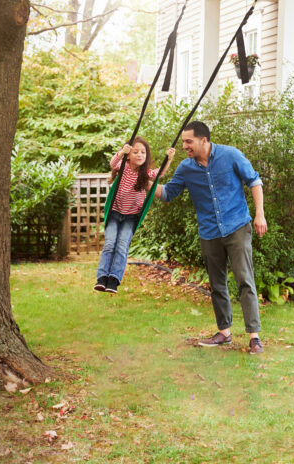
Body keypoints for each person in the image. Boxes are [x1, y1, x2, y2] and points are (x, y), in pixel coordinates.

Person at [158, 121, 268, 355]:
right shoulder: (186, 168)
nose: (185, 146)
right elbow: (168, 193)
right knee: (217, 285)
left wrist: (260, 214)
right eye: (184, 141)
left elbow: (254, 181)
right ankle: (225, 333)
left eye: (189, 141)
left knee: (244, 279)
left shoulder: (231, 155)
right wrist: (144, 183)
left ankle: (254, 337)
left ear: (203, 140)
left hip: (237, 226)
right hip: (209, 232)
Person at [95, 137, 175, 294]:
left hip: (131, 217)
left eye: (143, 152)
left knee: (122, 245)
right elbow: (112, 164)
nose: (139, 155)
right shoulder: (123, 166)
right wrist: (121, 153)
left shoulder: (145, 174)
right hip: (115, 213)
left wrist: (169, 159)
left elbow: (160, 173)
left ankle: (113, 280)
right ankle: (102, 277)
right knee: (110, 243)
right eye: (135, 152)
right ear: (129, 155)